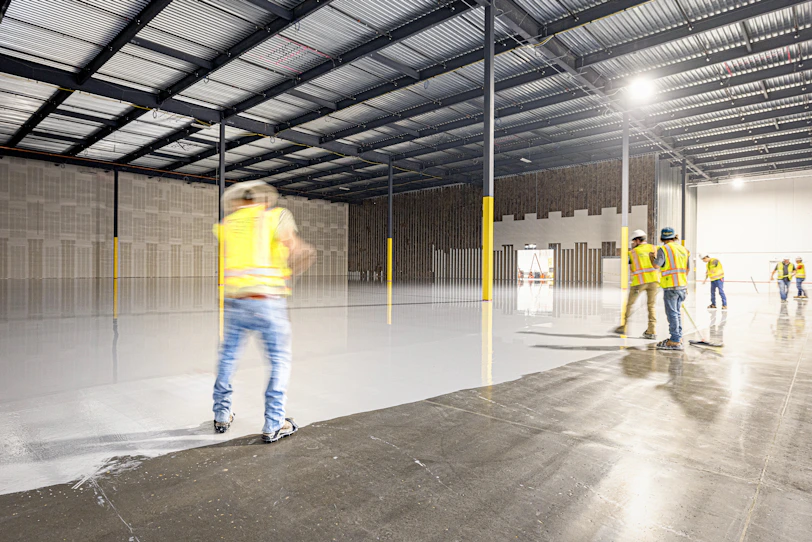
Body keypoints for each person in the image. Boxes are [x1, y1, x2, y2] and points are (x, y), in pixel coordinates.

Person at [212, 181, 315, 443]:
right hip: (267, 300)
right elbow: (301, 251)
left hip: (235, 301)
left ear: (237, 202)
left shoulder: (227, 225)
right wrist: (288, 275)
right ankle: (274, 423)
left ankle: (222, 415)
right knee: (279, 360)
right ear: (262, 200)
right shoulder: (274, 217)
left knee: (227, 359)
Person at [614, 229, 658, 339]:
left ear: (637, 240)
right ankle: (651, 330)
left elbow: (632, 269)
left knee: (630, 304)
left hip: (639, 282)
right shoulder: (654, 248)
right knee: (651, 306)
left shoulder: (632, 253)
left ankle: (623, 326)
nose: (633, 244)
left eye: (633, 242)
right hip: (654, 281)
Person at [650, 227, 690, 351]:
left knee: (672, 314)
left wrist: (652, 256)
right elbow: (687, 269)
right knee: (677, 313)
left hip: (671, 287)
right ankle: (678, 337)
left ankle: (675, 341)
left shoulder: (664, 249)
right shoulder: (684, 249)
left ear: (662, 238)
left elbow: (656, 265)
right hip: (682, 286)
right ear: (674, 236)